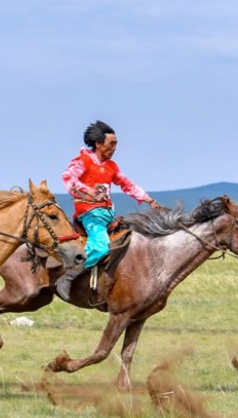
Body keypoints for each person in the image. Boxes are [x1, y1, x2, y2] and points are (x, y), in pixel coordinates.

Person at [56, 120, 161, 300]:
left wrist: (147, 199)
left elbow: (126, 184)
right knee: (100, 247)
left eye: (116, 145)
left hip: (108, 215)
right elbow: (68, 178)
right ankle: (68, 277)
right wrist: (89, 191)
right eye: (111, 144)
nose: (114, 149)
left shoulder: (112, 166)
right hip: (90, 214)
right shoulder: (83, 161)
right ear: (98, 143)